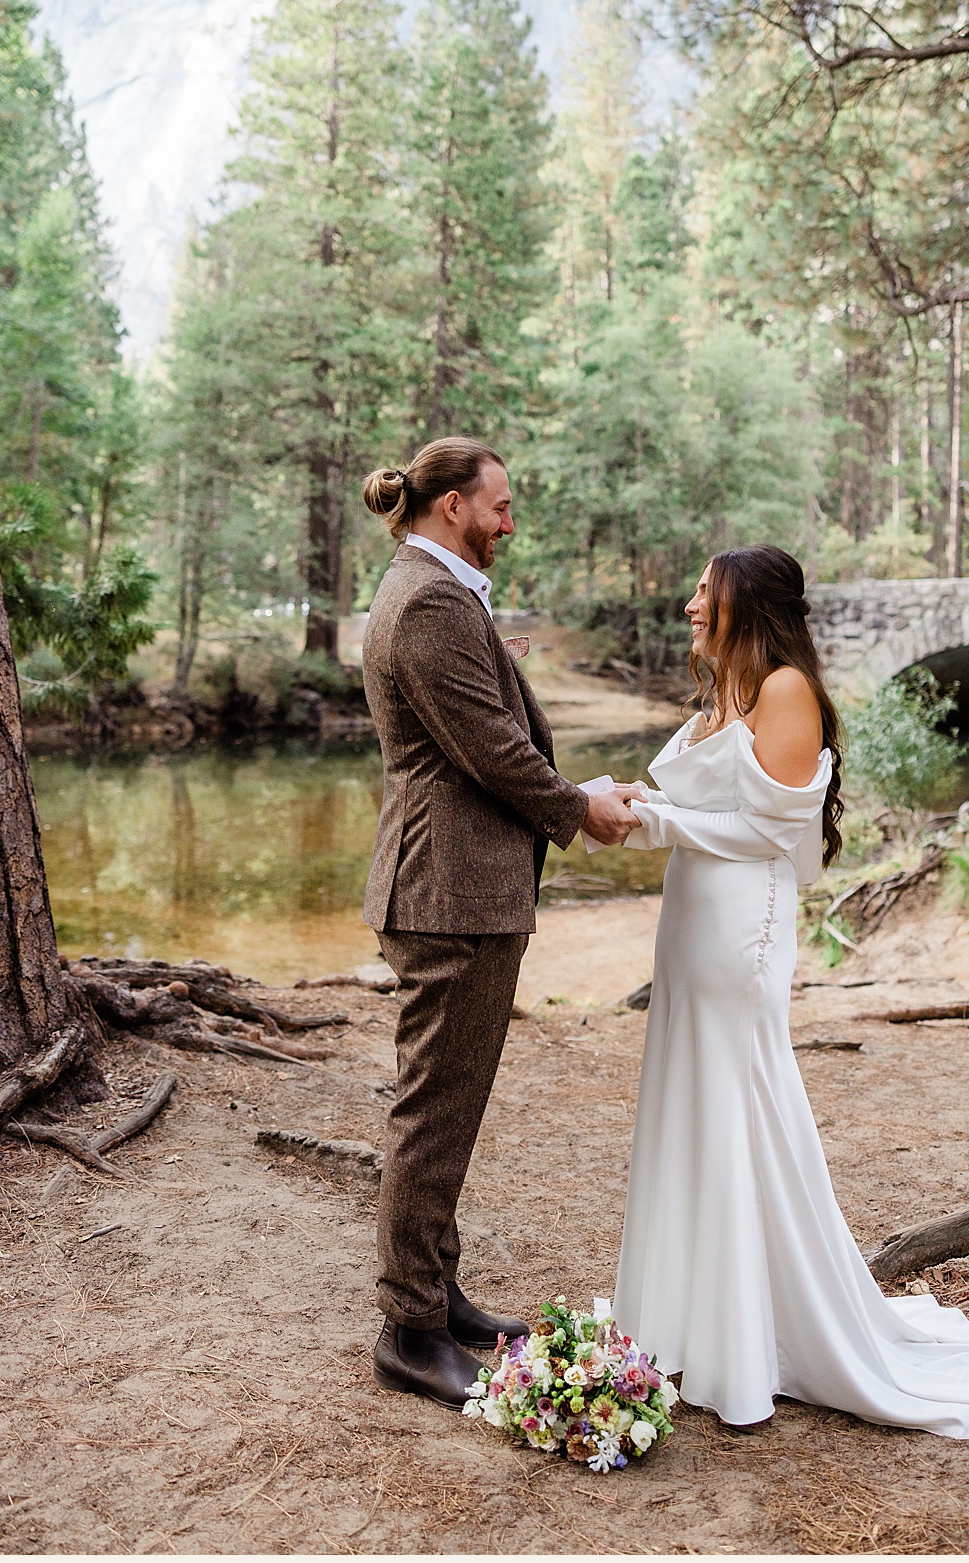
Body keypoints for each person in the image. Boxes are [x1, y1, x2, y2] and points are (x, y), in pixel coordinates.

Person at [608, 544, 969, 1435]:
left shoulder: (783, 690)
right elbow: (700, 801)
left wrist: (648, 819)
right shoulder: (729, 690)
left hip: (741, 927)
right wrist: (630, 799)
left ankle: (755, 1338)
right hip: (692, 919)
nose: (691, 603)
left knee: (740, 1104)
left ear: (746, 602)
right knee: (689, 1100)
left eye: (705, 590)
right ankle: (693, 1314)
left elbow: (764, 829)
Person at [356, 438, 642, 1405]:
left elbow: (484, 722)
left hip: (458, 886)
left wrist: (571, 774)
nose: (510, 523)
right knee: (433, 1114)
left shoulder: (435, 591)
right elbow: (493, 753)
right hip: (449, 893)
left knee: (449, 1104)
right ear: (450, 508)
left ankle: (438, 1294)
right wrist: (579, 809)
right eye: (501, 506)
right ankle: (409, 1328)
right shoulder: (430, 600)